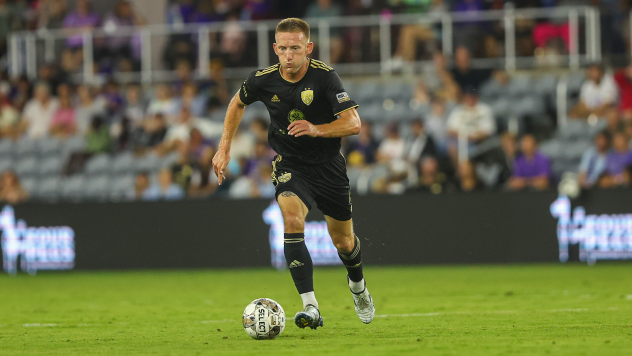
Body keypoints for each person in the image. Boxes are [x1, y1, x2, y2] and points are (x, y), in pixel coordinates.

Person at [212, 18, 375, 329]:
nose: (288, 55)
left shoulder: (325, 77)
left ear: (308, 48)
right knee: (291, 218)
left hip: (328, 167)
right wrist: (224, 147)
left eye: (295, 49)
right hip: (289, 163)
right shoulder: (263, 79)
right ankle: (311, 307)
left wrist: (315, 129)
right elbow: (236, 103)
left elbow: (354, 124)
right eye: (283, 49)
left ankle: (358, 287)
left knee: (343, 242)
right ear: (275, 48)